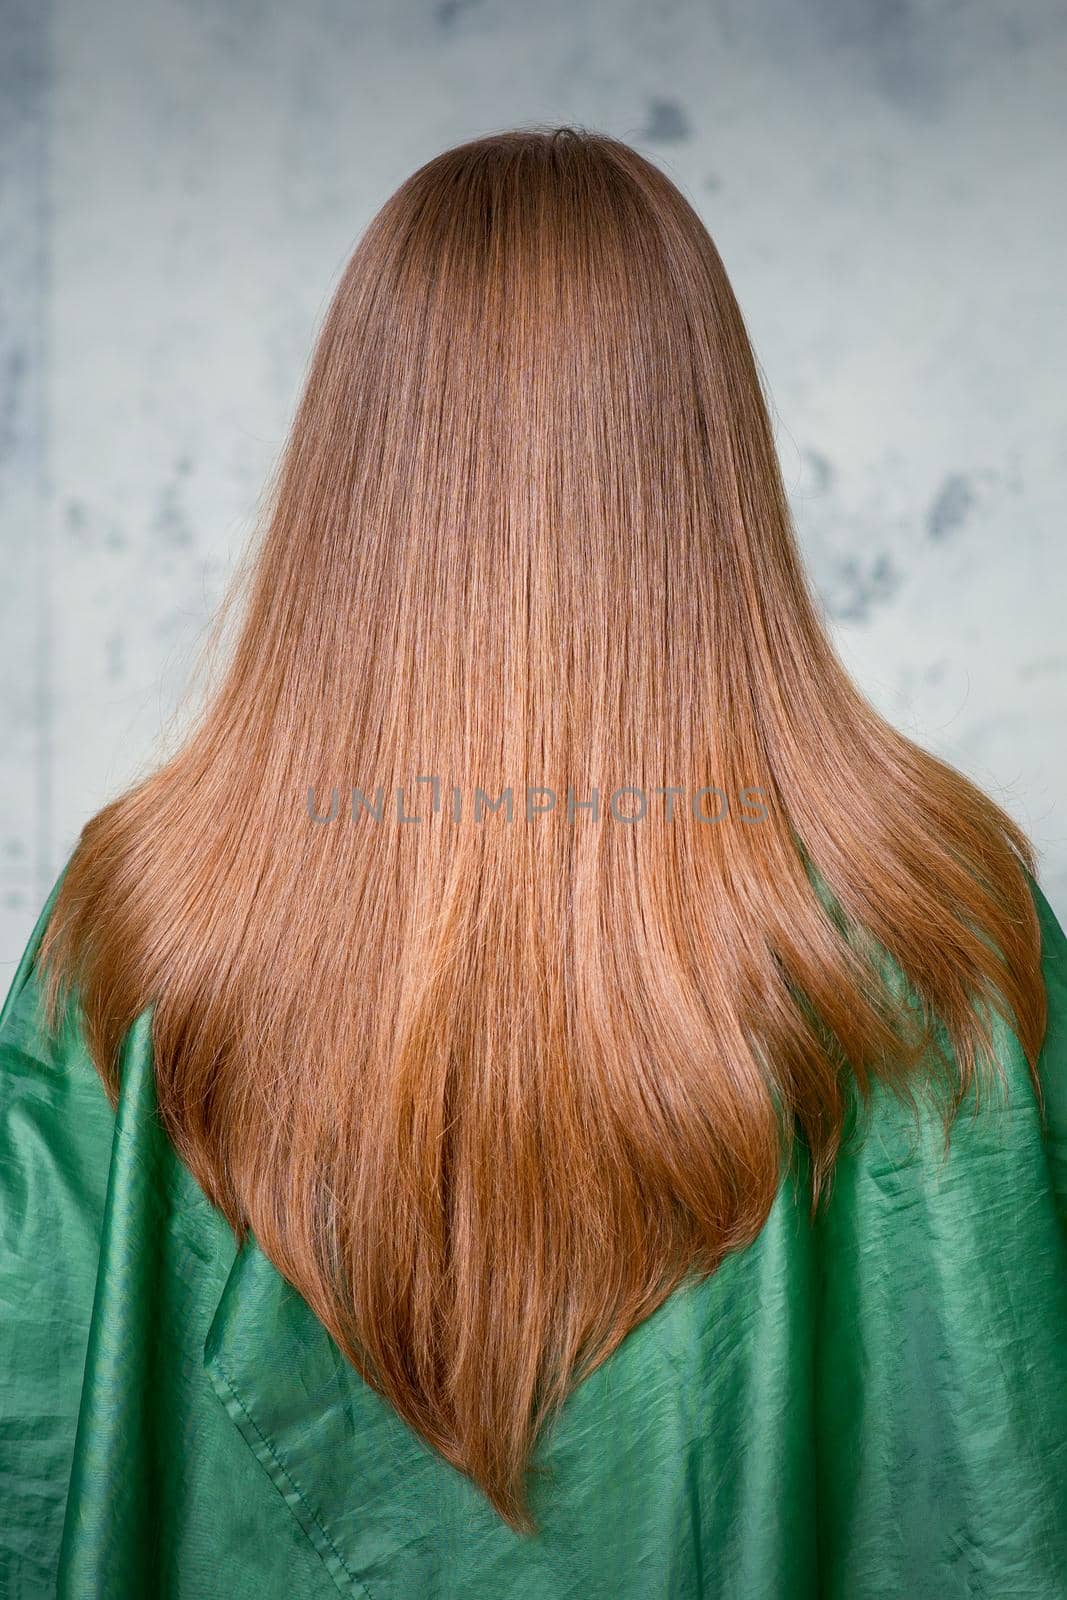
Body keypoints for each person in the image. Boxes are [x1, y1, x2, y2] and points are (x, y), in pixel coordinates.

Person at [2, 125, 1065, 1600]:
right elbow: (1006, 1470)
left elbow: (40, 1431)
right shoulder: (931, 912)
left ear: (357, 460)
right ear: (707, 445)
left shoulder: (142, 915)